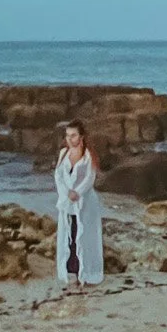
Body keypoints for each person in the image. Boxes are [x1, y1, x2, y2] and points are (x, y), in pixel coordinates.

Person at [54, 119, 104, 289]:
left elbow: (90, 178)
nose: (70, 139)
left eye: (73, 135)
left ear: (81, 136)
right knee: (69, 236)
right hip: (67, 202)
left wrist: (78, 192)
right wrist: (67, 192)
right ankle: (72, 271)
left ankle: (88, 273)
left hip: (85, 203)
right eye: (67, 136)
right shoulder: (63, 154)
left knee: (85, 237)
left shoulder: (88, 155)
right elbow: (58, 176)